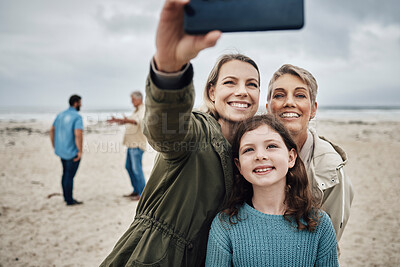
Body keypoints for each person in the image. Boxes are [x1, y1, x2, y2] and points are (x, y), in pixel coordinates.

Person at [100, 1, 260, 266]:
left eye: (251, 84)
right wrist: (169, 70)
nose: (242, 91)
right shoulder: (194, 131)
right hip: (152, 257)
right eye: (230, 82)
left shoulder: (248, 151)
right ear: (211, 92)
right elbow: (165, 127)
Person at [205, 115, 339, 266]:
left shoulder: (319, 223)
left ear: (291, 158)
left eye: (271, 146)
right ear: (239, 166)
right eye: (249, 149)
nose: (260, 156)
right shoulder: (225, 226)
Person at [266, 64, 354, 249]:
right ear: (268, 108)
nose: (289, 102)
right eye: (279, 95)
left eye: (300, 95)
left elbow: (329, 243)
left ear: (313, 109)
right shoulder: (251, 155)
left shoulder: (332, 170)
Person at [107, 91, 147, 201]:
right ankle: (136, 190)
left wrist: (125, 120)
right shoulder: (136, 110)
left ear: (139, 99)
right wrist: (119, 120)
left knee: (137, 170)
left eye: (133, 99)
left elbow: (137, 122)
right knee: (129, 167)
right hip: (131, 145)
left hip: (137, 145)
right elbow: (130, 120)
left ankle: (142, 194)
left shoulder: (143, 109)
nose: (132, 102)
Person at [49, 94, 84, 206]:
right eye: (80, 102)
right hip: (71, 152)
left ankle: (66, 197)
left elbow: (51, 130)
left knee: (65, 174)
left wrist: (54, 145)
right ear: (76, 103)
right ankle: (69, 200)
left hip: (61, 151)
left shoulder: (60, 115)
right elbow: (78, 133)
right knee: (69, 176)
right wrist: (80, 151)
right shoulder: (77, 116)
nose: (81, 105)